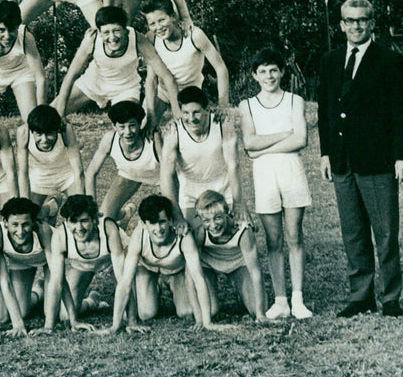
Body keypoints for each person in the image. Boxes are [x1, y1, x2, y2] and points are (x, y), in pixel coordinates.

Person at [318, 0, 403, 318]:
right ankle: (361, 296)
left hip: (378, 162)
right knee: (353, 232)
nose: (356, 26)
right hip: (343, 162)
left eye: (362, 20)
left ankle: (390, 298)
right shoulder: (330, 61)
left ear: (372, 23)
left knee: (385, 232)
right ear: (341, 24)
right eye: (349, 20)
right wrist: (326, 153)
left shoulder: (388, 60)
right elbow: (326, 112)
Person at [239, 48, 313, 320]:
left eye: (273, 70)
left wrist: (261, 147)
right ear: (254, 75)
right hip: (264, 176)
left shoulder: (295, 101)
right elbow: (249, 142)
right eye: (262, 71)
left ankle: (298, 299)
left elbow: (301, 139)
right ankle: (280, 300)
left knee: (295, 237)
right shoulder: (246, 105)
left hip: (292, 171)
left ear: (282, 72)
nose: (269, 76)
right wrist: (285, 134)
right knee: (273, 240)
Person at [96, 195, 230, 334]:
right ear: (143, 224)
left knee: (188, 312)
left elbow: (198, 278)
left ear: (171, 221)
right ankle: (156, 287)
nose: (158, 228)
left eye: (162, 222)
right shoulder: (139, 236)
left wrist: (207, 322)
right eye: (152, 223)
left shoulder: (183, 236)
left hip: (175, 271)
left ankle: (171, 285)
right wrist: (114, 326)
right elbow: (125, 282)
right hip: (148, 269)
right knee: (146, 314)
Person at [0, 197, 87, 337]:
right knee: (18, 312)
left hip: (46, 261)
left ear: (33, 222)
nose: (20, 231)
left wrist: (73, 320)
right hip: (20, 261)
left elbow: (59, 278)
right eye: (15, 224)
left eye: (25, 224)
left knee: (61, 315)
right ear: (5, 223)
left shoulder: (43, 231)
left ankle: (93, 301)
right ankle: (38, 291)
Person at [53, 6, 180, 124]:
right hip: (93, 83)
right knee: (50, 116)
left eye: (116, 30)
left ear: (125, 30)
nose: (112, 37)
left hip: (125, 89)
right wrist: (60, 113)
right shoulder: (92, 40)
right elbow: (71, 75)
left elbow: (167, 77)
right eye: (106, 32)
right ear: (100, 32)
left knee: (129, 126)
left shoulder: (137, 39)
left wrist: (176, 114)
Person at [35, 195, 131, 333]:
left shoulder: (108, 229)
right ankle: (93, 301)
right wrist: (49, 327)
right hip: (82, 265)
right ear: (67, 222)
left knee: (140, 312)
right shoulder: (60, 235)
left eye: (84, 221)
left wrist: (115, 326)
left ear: (94, 220)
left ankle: (154, 286)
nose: (79, 227)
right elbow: (57, 281)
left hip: (111, 261)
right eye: (73, 221)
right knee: (64, 316)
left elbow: (123, 279)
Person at [160, 86, 250, 227]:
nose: (191, 119)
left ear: (207, 109)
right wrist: (176, 214)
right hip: (190, 189)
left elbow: (234, 165)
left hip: (223, 186)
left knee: (243, 229)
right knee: (189, 236)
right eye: (186, 113)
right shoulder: (173, 131)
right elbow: (166, 174)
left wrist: (238, 204)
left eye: (196, 112)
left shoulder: (223, 123)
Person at [142, 0, 230, 125]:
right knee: (145, 126)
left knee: (190, 130)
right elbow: (151, 79)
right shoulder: (151, 38)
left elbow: (220, 67)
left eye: (161, 20)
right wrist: (150, 113)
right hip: (163, 91)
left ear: (173, 17)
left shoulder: (195, 35)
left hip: (190, 92)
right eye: (152, 24)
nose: (158, 27)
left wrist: (223, 104)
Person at [193, 191, 267, 323]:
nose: (213, 225)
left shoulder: (242, 230)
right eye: (207, 220)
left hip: (237, 264)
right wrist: (200, 319)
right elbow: (191, 271)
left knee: (257, 308)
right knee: (211, 311)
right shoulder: (200, 232)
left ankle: (240, 288)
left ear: (227, 213)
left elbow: (255, 271)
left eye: (218, 217)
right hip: (209, 265)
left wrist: (261, 315)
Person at [85, 101, 161, 224]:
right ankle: (125, 216)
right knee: (103, 221)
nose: (128, 132)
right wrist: (91, 208)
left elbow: (169, 174)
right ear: (114, 127)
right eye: (122, 127)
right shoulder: (110, 139)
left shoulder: (153, 138)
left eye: (132, 125)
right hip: (129, 175)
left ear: (140, 124)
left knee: (163, 220)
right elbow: (91, 173)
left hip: (160, 178)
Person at [0, 0, 46, 120]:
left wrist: (42, 112)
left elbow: (40, 77)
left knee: (32, 121)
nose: (7, 36)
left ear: (18, 26)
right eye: (1, 30)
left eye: (11, 30)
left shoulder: (25, 37)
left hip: (20, 72)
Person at [16, 105, 84, 220]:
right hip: (39, 179)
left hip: (66, 176)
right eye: (39, 134)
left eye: (49, 133)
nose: (45, 139)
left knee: (78, 215)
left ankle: (53, 206)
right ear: (32, 131)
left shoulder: (66, 130)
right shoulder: (23, 133)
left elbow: (78, 171)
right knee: (31, 219)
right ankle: (51, 207)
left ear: (57, 130)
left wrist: (82, 204)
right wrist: (24, 206)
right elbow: (23, 173)